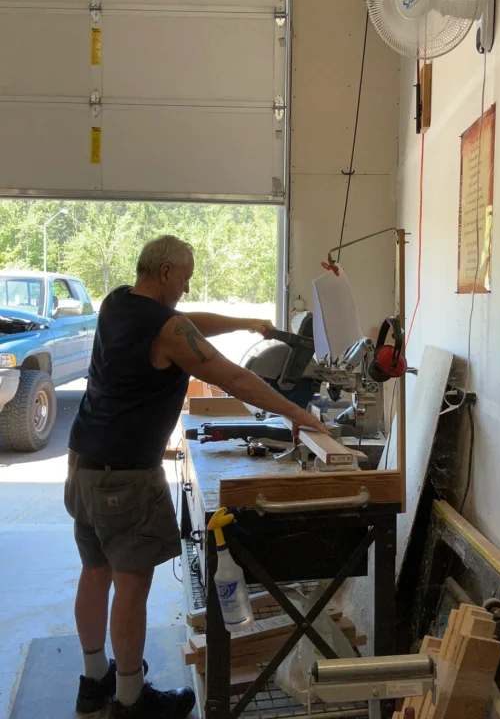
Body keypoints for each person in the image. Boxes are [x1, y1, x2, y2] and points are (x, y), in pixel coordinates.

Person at [65, 235, 328, 718]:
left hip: (83, 462)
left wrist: (244, 322)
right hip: (125, 479)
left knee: (95, 572)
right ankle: (130, 699)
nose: (186, 288)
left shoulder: (119, 302)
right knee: (130, 586)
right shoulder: (165, 327)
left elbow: (185, 325)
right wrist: (296, 414)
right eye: (184, 278)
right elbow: (234, 378)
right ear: (165, 273)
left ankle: (94, 681)